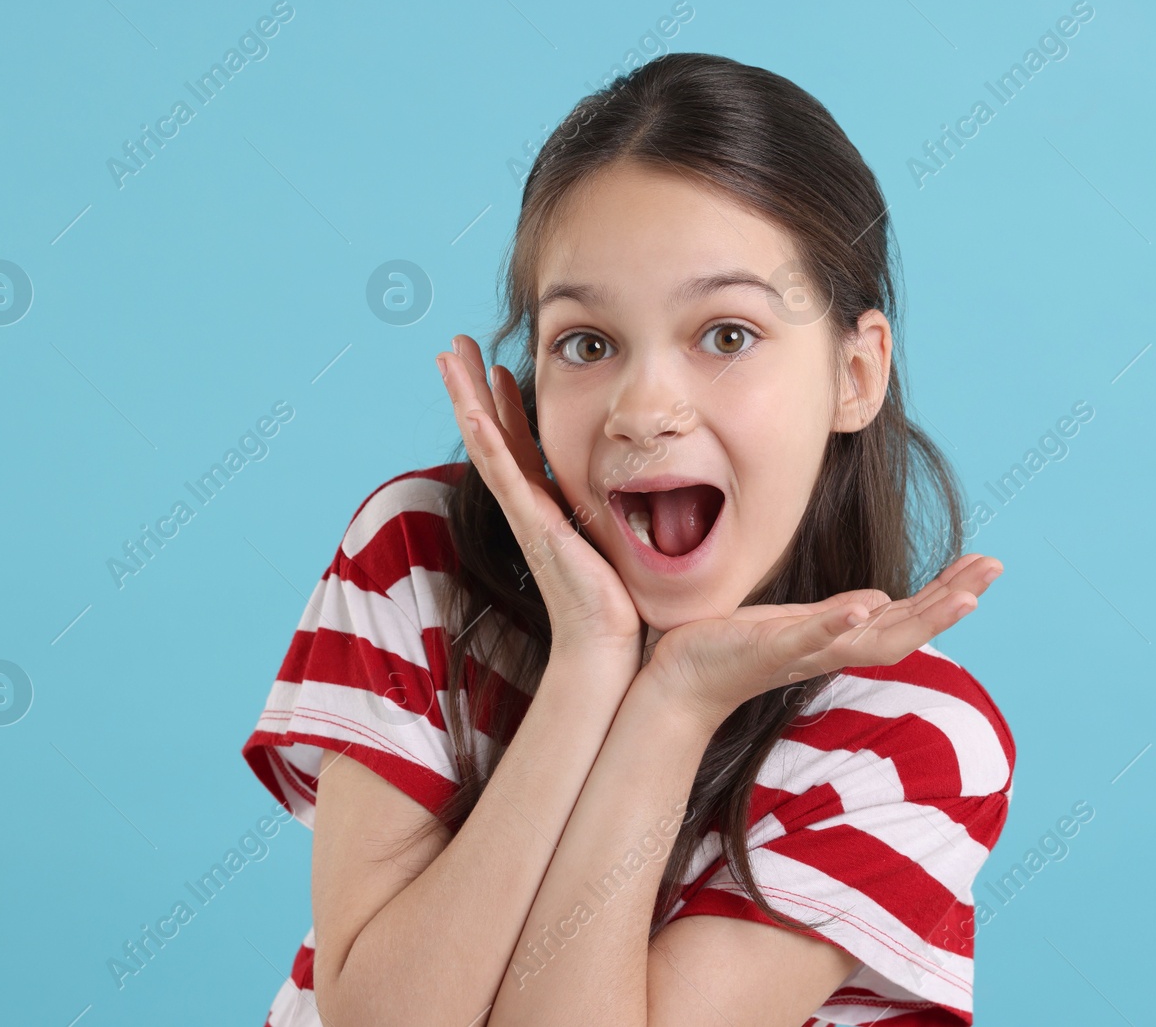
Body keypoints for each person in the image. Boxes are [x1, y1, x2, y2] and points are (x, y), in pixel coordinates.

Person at [242, 51, 1012, 1026]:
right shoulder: (420, 559)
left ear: (854, 374)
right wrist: (589, 659)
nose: (643, 408)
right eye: (587, 342)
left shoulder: (910, 738)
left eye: (726, 334)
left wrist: (671, 704)